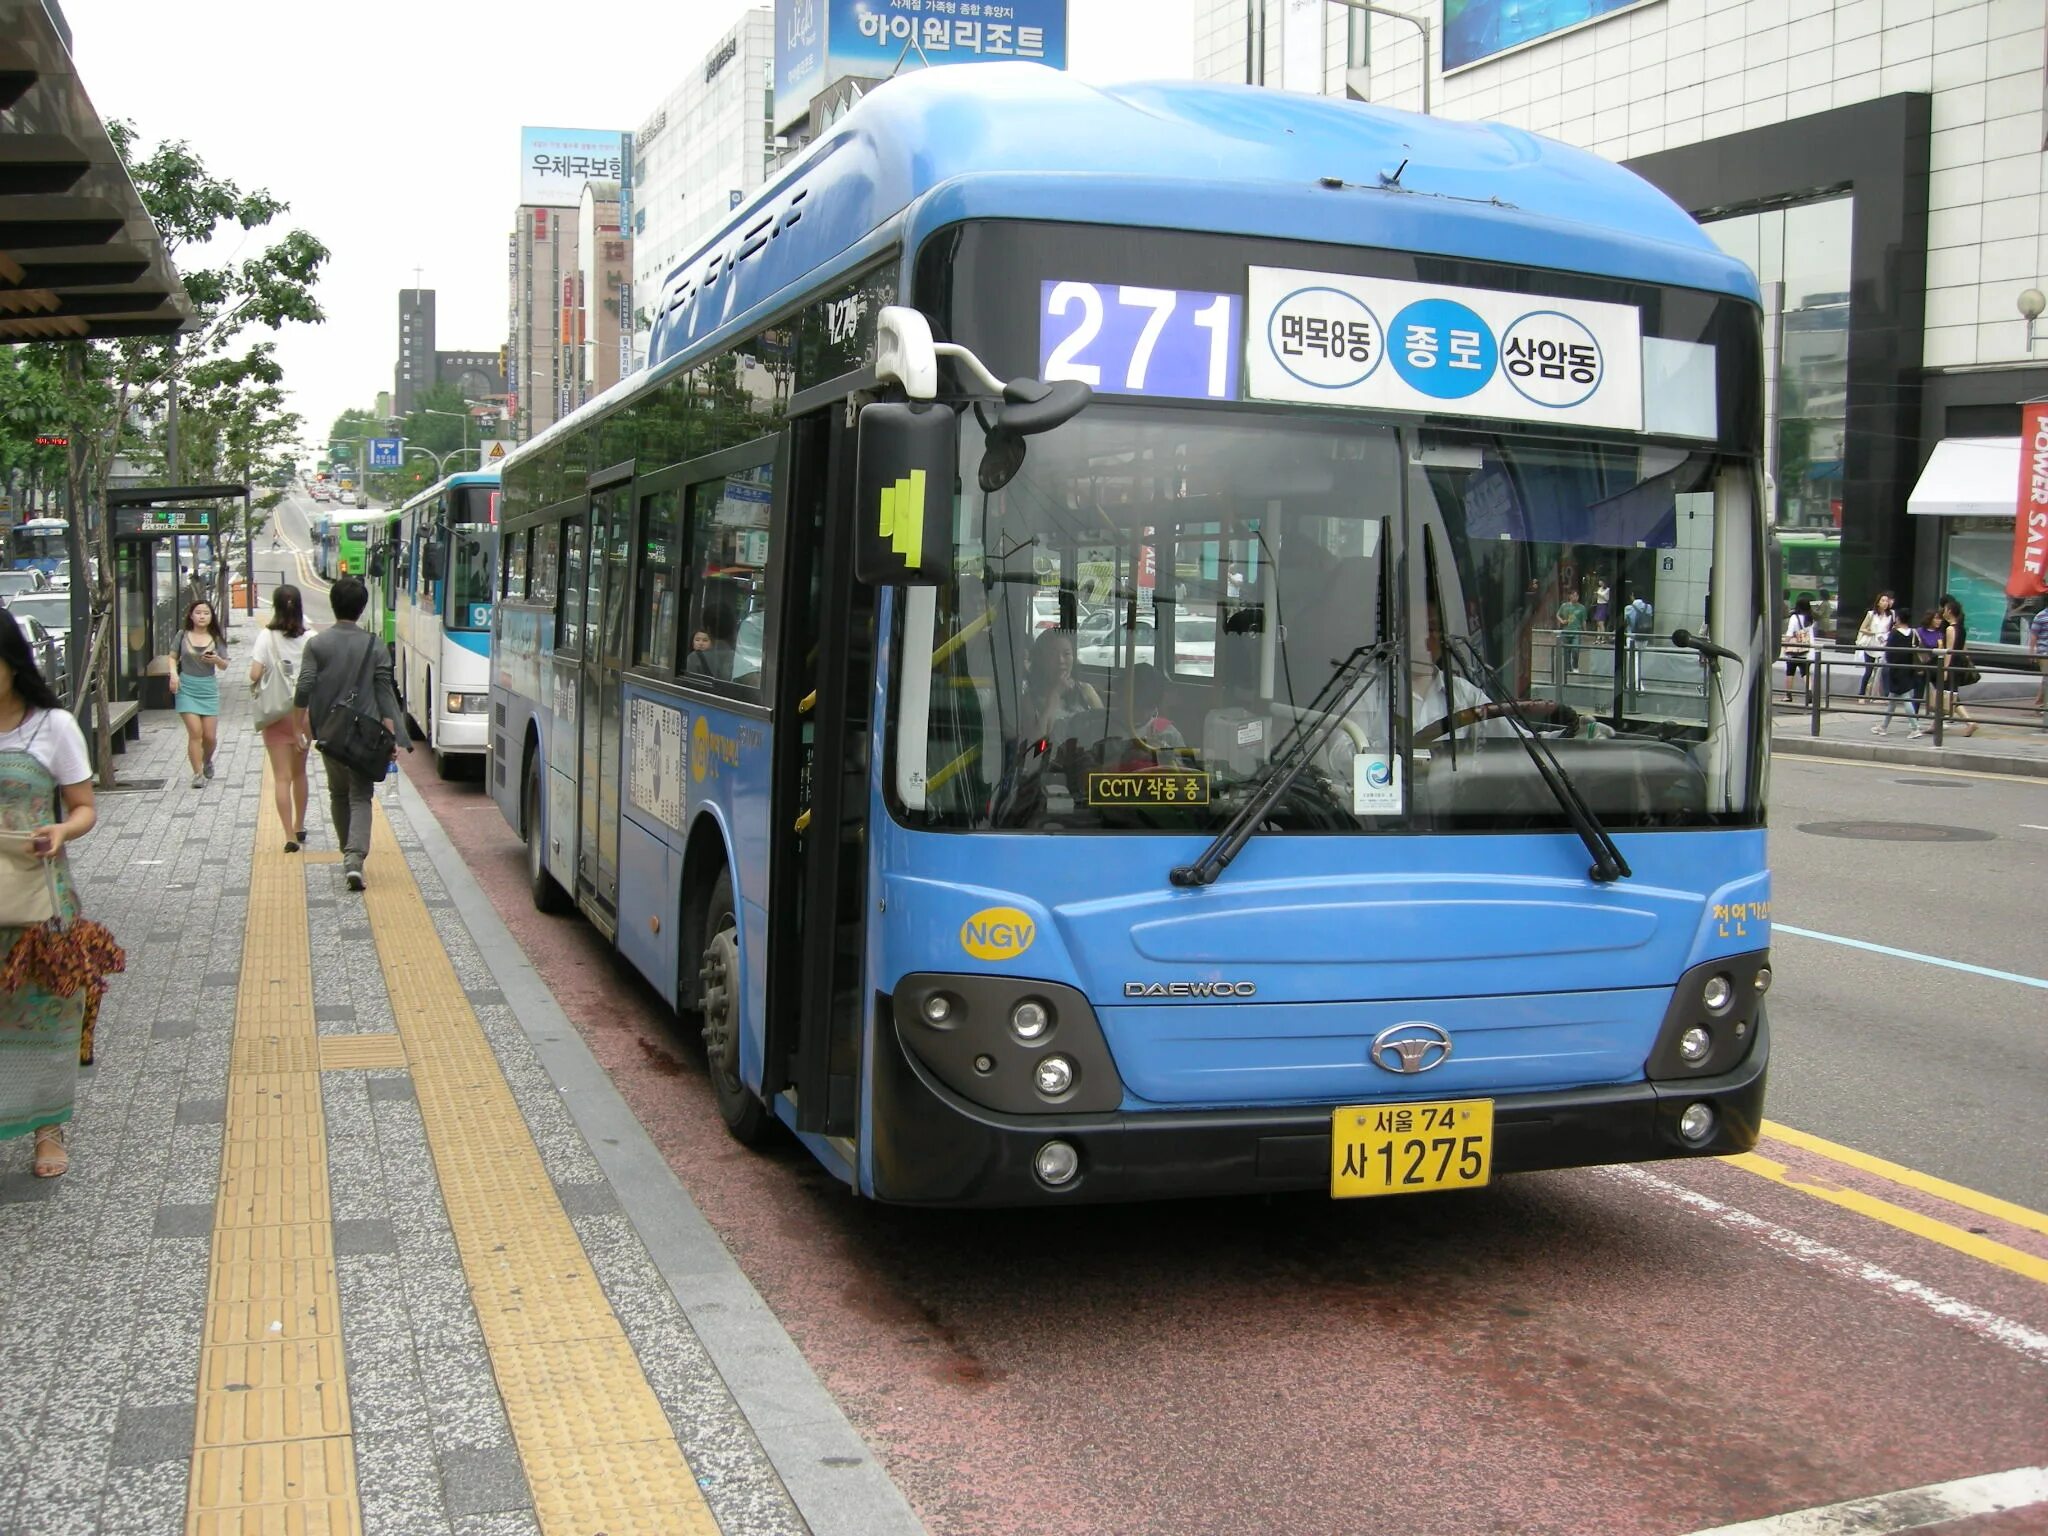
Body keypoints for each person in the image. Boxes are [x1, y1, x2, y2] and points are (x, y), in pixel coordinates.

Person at [0, 608, 104, 1178]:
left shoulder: (52, 726)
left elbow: (85, 806)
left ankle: (46, 1129)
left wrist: (61, 830)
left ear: (13, 665)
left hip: (39, 896)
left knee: (43, 1012)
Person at [294, 576, 408, 891]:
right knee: (361, 795)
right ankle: (354, 859)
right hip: (365, 735)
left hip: (329, 733)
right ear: (362, 608)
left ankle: (349, 854)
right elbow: (385, 692)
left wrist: (297, 725)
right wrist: (391, 736)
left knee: (338, 793)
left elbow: (304, 686)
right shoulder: (374, 645)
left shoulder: (316, 644)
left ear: (334, 604)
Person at [249, 584, 314, 852]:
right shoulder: (311, 636)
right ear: (299, 605)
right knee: (300, 773)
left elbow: (255, 673)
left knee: (282, 777)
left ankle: (288, 834)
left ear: (275, 606)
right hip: (305, 713)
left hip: (277, 712)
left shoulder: (266, 636)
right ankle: (300, 825)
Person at [172, 598, 230, 788]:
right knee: (195, 733)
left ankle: (207, 760)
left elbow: (225, 665)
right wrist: (174, 675)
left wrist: (216, 661)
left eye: (206, 613)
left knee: (210, 737)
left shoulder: (216, 638)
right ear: (191, 615)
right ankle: (197, 774)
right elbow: (172, 658)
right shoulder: (182, 635)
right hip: (186, 688)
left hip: (208, 689)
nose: (202, 616)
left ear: (211, 616)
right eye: (198, 612)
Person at [1020, 627, 1103, 740]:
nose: (1061, 660)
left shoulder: (1085, 690)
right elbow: (1036, 748)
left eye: (1067, 654)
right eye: (1053, 654)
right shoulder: (1030, 700)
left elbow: (1103, 733)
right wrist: (1055, 695)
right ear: (1041, 660)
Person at [1875, 613, 1926, 737]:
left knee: (1906, 698)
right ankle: (1883, 726)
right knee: (1892, 699)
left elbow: (1889, 652)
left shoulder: (1894, 633)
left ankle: (1915, 727)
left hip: (1896, 669)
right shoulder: (1912, 633)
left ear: (1898, 619)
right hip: (1908, 669)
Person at [1935, 594, 1978, 737]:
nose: (1943, 611)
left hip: (1952, 663)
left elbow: (1949, 650)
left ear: (1950, 611)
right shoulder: (1962, 628)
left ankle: (1970, 722)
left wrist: (1945, 669)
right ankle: (1936, 723)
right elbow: (1963, 648)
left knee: (1950, 695)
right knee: (1947, 694)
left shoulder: (1950, 629)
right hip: (1959, 662)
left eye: (1946, 609)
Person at [1854, 591, 1896, 699]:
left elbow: (1892, 629)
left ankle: (1885, 695)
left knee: (1885, 671)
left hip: (1884, 644)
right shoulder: (1871, 614)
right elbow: (1862, 628)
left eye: (1887, 601)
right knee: (1869, 671)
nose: (1885, 603)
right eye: (1883, 600)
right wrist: (1873, 632)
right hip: (1871, 644)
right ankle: (1861, 694)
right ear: (1878, 603)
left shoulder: (1891, 615)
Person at [1780, 597, 1816, 702]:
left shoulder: (1794, 618)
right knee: (1805, 672)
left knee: (1790, 672)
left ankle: (1788, 695)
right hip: (1805, 649)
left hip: (1793, 650)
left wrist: (1785, 644)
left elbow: (1790, 633)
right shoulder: (1809, 618)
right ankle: (1809, 691)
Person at [1555, 587, 1588, 673]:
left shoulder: (1582, 608)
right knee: (1566, 651)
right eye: (1573, 596)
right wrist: (1562, 621)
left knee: (1575, 650)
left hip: (1576, 631)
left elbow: (1584, 620)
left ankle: (1575, 666)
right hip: (1566, 631)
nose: (1575, 597)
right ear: (1570, 596)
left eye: (1577, 596)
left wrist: (1585, 631)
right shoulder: (1564, 606)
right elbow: (1558, 615)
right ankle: (1567, 668)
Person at [2027, 600, 2048, 711]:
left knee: (2046, 679)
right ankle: (2040, 704)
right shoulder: (2040, 616)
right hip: (2044, 652)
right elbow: (2034, 635)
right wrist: (2032, 652)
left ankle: (2040, 703)